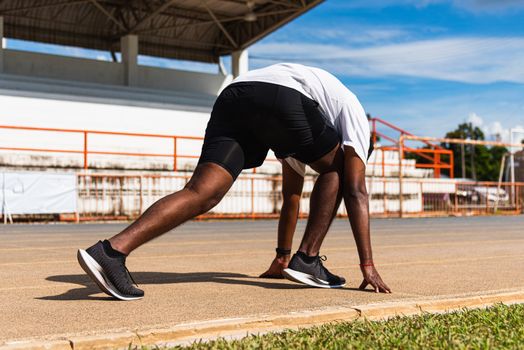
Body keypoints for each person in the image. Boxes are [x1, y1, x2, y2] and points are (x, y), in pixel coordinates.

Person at [77, 63, 389, 301]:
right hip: (281, 97)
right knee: (337, 170)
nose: (355, 163)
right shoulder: (355, 119)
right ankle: (307, 260)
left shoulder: (308, 137)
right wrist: (368, 264)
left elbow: (292, 196)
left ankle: (111, 252)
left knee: (202, 192)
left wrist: (281, 257)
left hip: (234, 97)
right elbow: (355, 189)